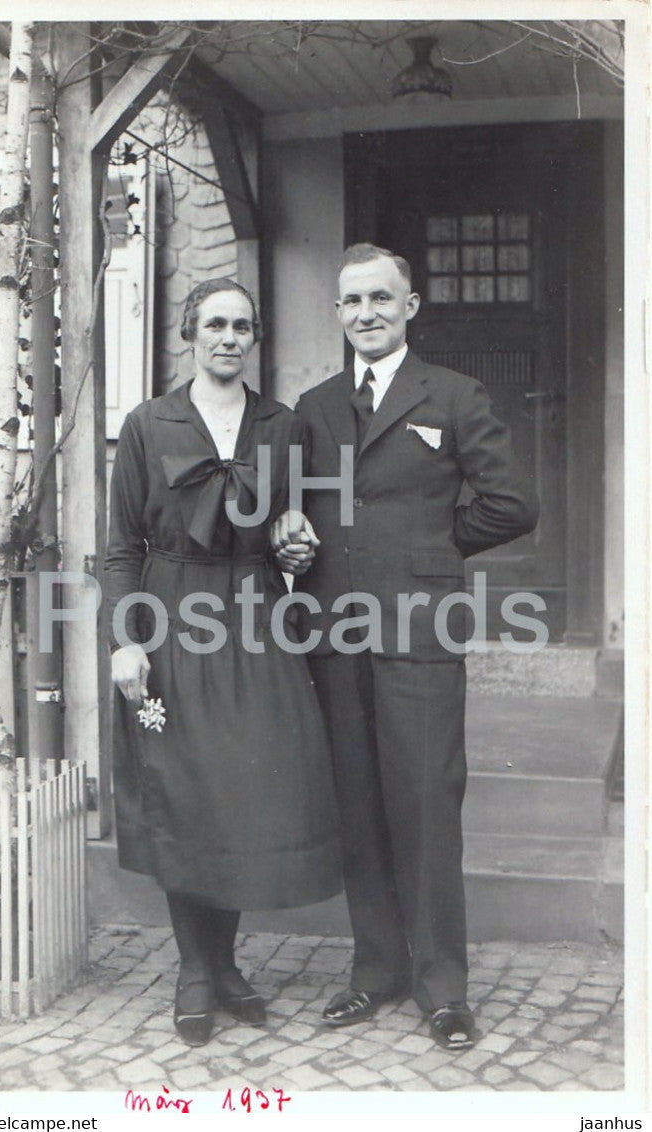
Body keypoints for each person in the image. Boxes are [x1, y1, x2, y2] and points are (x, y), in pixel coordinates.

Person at [272, 243, 539, 1050]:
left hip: (419, 630)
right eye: (352, 302)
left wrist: (434, 551)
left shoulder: (454, 396)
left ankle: (443, 987)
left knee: (425, 800)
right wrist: (291, 535)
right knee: (358, 800)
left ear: (411, 306)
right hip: (335, 634)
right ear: (339, 312)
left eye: (381, 300)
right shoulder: (312, 408)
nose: (366, 315)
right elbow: (295, 510)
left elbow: (513, 504)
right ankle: (375, 970)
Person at [104, 277, 341, 1048]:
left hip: (256, 617)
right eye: (214, 324)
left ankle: (227, 962)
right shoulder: (149, 423)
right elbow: (120, 550)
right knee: (183, 786)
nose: (228, 337)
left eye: (242, 325)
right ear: (188, 334)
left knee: (242, 788)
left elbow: (294, 530)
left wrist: (296, 547)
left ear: (255, 338)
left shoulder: (283, 425)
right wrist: (126, 639)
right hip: (173, 617)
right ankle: (195, 970)